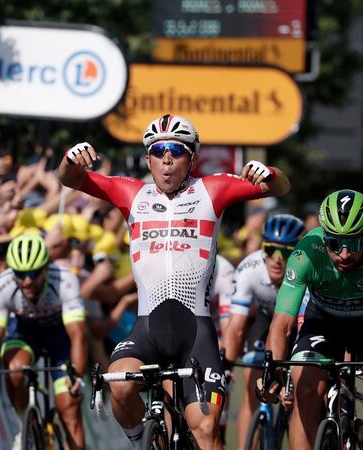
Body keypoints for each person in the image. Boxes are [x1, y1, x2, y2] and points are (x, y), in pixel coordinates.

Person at [58, 113, 290, 449]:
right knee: (119, 385)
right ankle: (144, 442)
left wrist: (268, 173)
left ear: (192, 159)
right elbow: (69, 179)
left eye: (177, 151)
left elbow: (278, 187)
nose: (167, 159)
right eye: (158, 151)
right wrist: (70, 159)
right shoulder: (131, 193)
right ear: (148, 159)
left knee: (206, 429)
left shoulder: (211, 189)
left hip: (195, 333)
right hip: (147, 328)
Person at [263, 189, 363, 450]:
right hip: (323, 323)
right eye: (335, 244)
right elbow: (282, 322)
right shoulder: (307, 252)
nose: (345, 254)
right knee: (305, 390)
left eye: (355, 243)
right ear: (324, 238)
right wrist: (273, 370)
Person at [0, 233, 87, 450]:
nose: (27, 281)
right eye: (20, 274)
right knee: (15, 371)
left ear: (46, 268)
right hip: (25, 332)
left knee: (69, 408)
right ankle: (25, 426)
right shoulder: (1, 286)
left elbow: (78, 334)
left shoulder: (65, 281)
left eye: (34, 274)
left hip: (60, 336)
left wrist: (78, 376)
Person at [221, 213, 305, 449]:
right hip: (265, 320)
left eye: (286, 252)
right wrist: (226, 366)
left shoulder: (307, 272)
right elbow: (236, 326)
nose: (277, 259)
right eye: (270, 250)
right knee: (253, 384)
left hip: (299, 324)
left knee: (302, 388)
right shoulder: (250, 269)